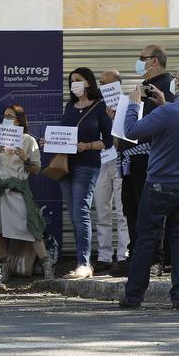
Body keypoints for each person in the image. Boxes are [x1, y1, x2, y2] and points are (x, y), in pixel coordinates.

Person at [118, 65, 179, 310]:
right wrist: (164, 103)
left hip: (160, 184)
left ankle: (134, 296)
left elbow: (131, 131)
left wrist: (133, 104)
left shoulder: (169, 112)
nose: (172, 82)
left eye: (176, 79)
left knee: (146, 240)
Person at [50, 67, 112, 279]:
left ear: (88, 83)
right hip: (66, 165)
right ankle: (82, 262)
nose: (73, 83)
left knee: (81, 211)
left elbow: (109, 141)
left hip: (87, 164)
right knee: (74, 214)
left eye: (78, 80)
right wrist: (50, 141)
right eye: (71, 80)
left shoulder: (100, 106)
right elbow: (64, 134)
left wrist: (87, 146)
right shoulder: (69, 106)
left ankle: (84, 264)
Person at [121, 44, 174, 261]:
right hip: (130, 157)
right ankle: (136, 256)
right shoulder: (143, 86)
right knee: (131, 209)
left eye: (141, 57)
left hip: (153, 158)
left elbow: (170, 118)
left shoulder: (168, 86)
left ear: (153, 61)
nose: (138, 61)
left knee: (149, 211)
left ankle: (153, 257)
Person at [0, 104, 47, 279]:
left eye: (11, 116)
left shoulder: (28, 140)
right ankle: (3, 269)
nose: (7, 119)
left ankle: (46, 266)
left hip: (17, 189)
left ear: (19, 120)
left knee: (32, 228)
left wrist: (25, 158)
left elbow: (36, 169)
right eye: (5, 116)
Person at [93, 70, 130, 274]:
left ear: (117, 84)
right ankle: (104, 256)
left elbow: (132, 133)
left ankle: (124, 255)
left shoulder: (127, 103)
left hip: (121, 161)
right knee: (102, 211)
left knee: (123, 211)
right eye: (100, 83)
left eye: (106, 83)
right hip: (101, 162)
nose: (102, 86)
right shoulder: (97, 107)